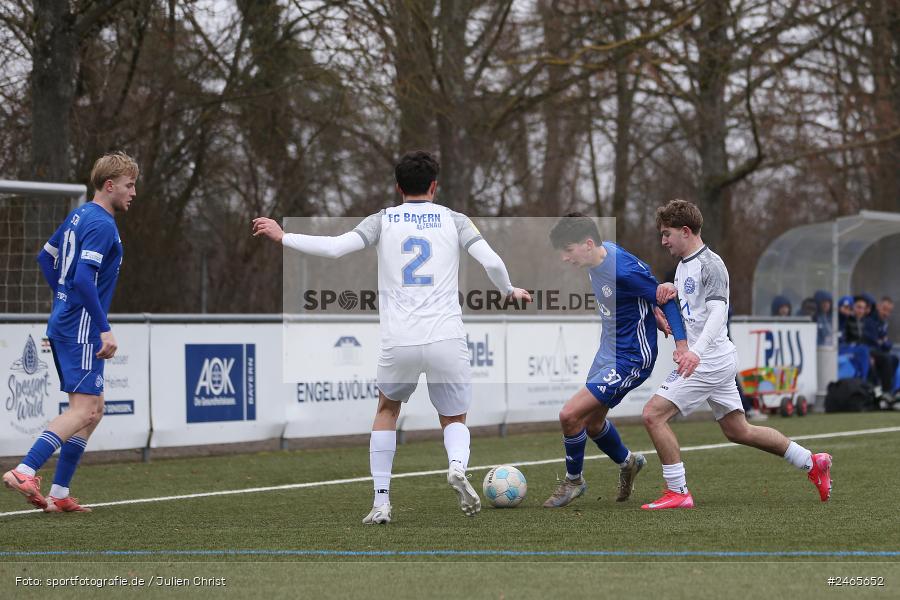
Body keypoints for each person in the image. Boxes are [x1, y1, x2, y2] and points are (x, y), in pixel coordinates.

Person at [252, 150, 531, 524]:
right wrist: (509, 289)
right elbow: (493, 262)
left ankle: (381, 501)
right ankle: (456, 466)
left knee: (387, 410)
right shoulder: (455, 220)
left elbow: (335, 248)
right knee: (454, 417)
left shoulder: (382, 220)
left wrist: (284, 236)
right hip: (446, 336)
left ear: (398, 187)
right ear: (434, 186)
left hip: (399, 339)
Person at [642, 199, 832, 510]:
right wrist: (670, 294)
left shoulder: (711, 265)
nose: (663, 241)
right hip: (714, 358)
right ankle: (812, 462)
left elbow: (719, 314)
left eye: (667, 234)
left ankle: (678, 492)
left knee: (652, 415)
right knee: (738, 430)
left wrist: (695, 353)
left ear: (685, 231)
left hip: (710, 360)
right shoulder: (683, 265)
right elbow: (696, 309)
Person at [3, 151, 137, 513]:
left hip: (70, 321)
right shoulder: (102, 223)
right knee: (82, 410)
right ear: (109, 185)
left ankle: (59, 494)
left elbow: (46, 257)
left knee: (95, 409)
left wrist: (63, 299)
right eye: (129, 185)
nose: (133, 192)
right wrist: (102, 326)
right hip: (81, 328)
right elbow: (80, 276)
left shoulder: (80, 215)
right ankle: (25, 470)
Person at [541, 213, 688, 508]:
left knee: (569, 416)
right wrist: (648, 307)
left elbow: (663, 296)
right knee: (593, 423)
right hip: (607, 352)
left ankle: (574, 481)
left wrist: (681, 345)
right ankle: (629, 462)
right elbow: (644, 294)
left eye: (568, 251)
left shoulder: (621, 269)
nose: (566, 259)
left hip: (632, 357)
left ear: (588, 244)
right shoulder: (598, 254)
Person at [864, 296, 898, 403]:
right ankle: (886, 392)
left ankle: (891, 390)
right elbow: (873, 340)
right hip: (868, 350)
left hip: (878, 351)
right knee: (886, 359)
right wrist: (882, 342)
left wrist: (883, 342)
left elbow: (887, 344)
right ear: (878, 307)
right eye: (884, 309)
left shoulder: (883, 323)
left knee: (894, 359)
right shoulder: (869, 320)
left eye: (889, 311)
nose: (886, 313)